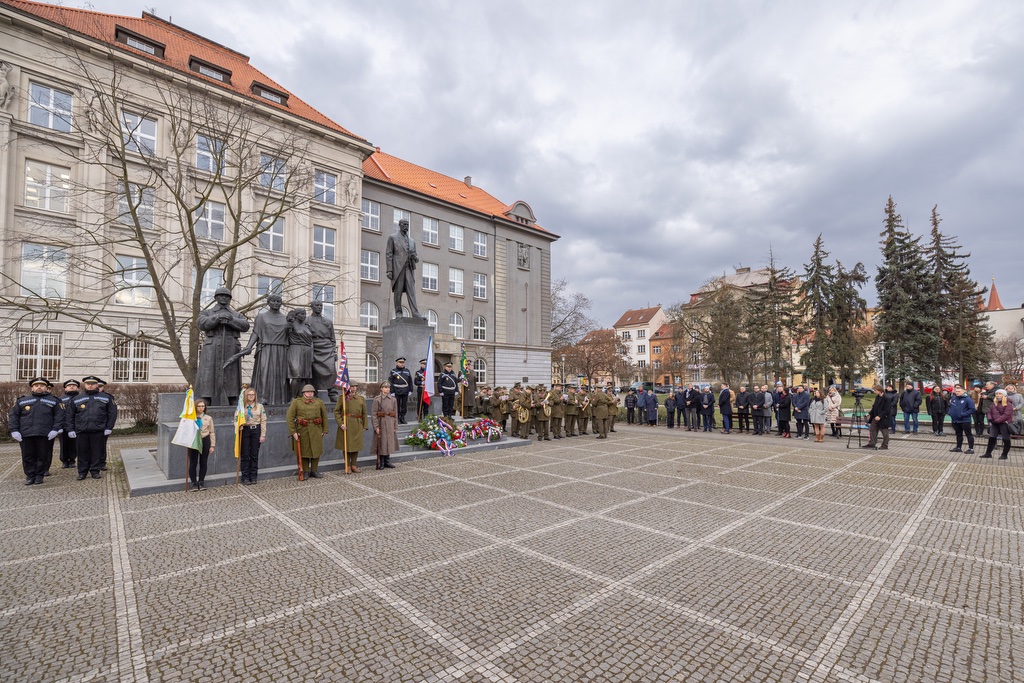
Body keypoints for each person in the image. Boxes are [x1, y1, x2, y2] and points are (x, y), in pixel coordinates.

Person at [196, 286, 250, 406]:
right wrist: (217, 318)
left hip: (231, 346)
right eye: (221, 296)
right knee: (209, 371)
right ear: (216, 298)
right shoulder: (207, 312)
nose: (224, 298)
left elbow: (245, 325)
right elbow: (201, 323)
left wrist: (231, 320)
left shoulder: (236, 314)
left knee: (231, 372)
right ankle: (206, 397)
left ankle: (232, 395)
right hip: (213, 345)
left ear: (229, 299)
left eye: (226, 296)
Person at [9, 378, 62, 486]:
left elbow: (59, 416)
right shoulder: (22, 400)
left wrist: (55, 429)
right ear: (32, 387)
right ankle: (30, 476)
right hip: (26, 433)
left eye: (42, 385)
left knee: (42, 455)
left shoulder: (53, 400)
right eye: (36, 385)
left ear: (46, 388)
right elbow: (14, 415)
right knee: (27, 456)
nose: (39, 387)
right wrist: (14, 430)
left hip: (44, 434)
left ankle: (39, 475)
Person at [239, 293, 290, 405]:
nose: (276, 303)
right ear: (268, 303)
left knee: (280, 376)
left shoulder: (286, 318)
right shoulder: (261, 316)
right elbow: (256, 333)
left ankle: (280, 400)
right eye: (273, 301)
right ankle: (262, 398)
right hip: (266, 348)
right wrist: (249, 346)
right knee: (264, 374)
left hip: (281, 350)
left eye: (278, 301)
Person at [70, 376, 117, 480]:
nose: (90, 385)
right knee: (82, 452)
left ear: (97, 385)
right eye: (88, 384)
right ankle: (82, 472)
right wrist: (71, 429)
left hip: (98, 430)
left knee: (96, 452)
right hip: (81, 430)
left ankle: (95, 471)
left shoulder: (106, 397)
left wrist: (109, 427)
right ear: (84, 385)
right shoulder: (77, 398)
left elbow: (112, 413)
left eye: (93, 383)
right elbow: (70, 415)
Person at [286, 384, 329, 478]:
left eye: (311, 392)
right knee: (304, 451)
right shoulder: (297, 402)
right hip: (302, 430)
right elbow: (289, 418)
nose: (310, 393)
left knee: (316, 450)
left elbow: (324, 416)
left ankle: (314, 470)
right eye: (308, 392)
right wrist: (293, 432)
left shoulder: (319, 402)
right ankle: (305, 471)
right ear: (303, 393)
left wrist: (325, 429)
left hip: (316, 429)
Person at [385, 218, 423, 319]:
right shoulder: (392, 238)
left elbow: (417, 257)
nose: (406, 226)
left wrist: (414, 257)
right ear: (400, 225)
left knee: (412, 291)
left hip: (409, 268)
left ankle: (415, 313)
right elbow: (389, 254)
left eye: (407, 225)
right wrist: (389, 270)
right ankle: (398, 312)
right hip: (398, 268)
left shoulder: (412, 241)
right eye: (404, 224)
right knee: (398, 291)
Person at [308, 300, 340, 403]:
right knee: (313, 372)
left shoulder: (328, 322)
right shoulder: (306, 320)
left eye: (320, 305)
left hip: (327, 349)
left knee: (331, 371)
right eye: (317, 305)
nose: (319, 307)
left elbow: (332, 339)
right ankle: (314, 394)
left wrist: (334, 352)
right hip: (313, 347)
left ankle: (332, 393)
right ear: (312, 307)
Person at [335, 381, 367, 473]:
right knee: (347, 446)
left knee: (356, 445)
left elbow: (364, 413)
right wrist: (341, 423)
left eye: (355, 386)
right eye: (351, 386)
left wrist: (365, 425)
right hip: (347, 423)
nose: (353, 388)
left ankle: (353, 465)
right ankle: (347, 465)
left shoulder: (361, 399)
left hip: (357, 423)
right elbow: (337, 411)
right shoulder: (343, 398)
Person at [239, 387, 267, 485]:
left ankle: (253, 476)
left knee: (254, 455)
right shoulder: (241, 407)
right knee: (245, 454)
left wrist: (262, 435)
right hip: (245, 430)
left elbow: (263, 421)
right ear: (246, 396)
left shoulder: (259, 407)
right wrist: (238, 426)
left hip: (256, 430)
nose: (251, 396)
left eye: (253, 395)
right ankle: (245, 477)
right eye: (249, 395)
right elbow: (235, 419)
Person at [286, 308, 314, 399]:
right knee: (296, 375)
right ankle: (292, 398)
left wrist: (312, 354)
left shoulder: (307, 326)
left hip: (307, 351)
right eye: (301, 314)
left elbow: (311, 341)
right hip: (295, 350)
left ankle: (304, 397)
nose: (303, 316)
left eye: (305, 314)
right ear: (296, 315)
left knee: (306, 377)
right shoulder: (291, 324)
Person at [186, 399, 215, 491]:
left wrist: (212, 445)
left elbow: (212, 432)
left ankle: (201, 482)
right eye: (199, 406)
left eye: (203, 406)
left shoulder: (208, 418)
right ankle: (194, 482)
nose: (201, 408)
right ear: (195, 407)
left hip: (205, 440)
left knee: (203, 462)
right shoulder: (191, 418)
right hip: (194, 441)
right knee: (193, 462)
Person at [371, 382, 399, 468]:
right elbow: (374, 414)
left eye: (388, 387)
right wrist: (376, 426)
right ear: (381, 389)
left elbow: (395, 414)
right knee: (382, 442)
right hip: (381, 423)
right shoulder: (377, 399)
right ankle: (381, 461)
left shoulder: (393, 399)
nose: (387, 389)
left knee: (389, 442)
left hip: (390, 422)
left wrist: (395, 426)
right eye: (385, 387)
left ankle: (387, 460)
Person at [981, 389, 1013, 459]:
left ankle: (1004, 454)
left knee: (1006, 439)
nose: (998, 395)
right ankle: (988, 453)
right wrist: (990, 419)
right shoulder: (994, 403)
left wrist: (997, 420)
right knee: (992, 437)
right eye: (997, 394)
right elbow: (989, 412)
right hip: (994, 423)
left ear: (1004, 395)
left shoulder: (1008, 404)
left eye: (1000, 394)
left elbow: (1006, 415)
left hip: (1004, 423)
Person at [861, 384, 893, 450]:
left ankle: (885, 445)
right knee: (872, 430)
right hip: (875, 417)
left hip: (884, 418)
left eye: (875, 390)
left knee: (885, 433)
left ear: (879, 390)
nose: (874, 391)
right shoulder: (877, 397)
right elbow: (874, 407)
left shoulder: (887, 398)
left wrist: (880, 416)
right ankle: (872, 443)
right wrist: (870, 413)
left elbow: (887, 410)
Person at [947, 384, 976, 454]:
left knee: (968, 434)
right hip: (955, 420)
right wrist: (950, 413)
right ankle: (958, 447)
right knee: (958, 434)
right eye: (956, 391)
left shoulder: (968, 399)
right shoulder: (953, 399)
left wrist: (963, 414)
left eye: (959, 391)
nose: (957, 392)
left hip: (965, 420)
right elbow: (951, 407)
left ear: (963, 391)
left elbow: (972, 409)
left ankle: (971, 448)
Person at [58, 379, 80, 468]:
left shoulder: (81, 398)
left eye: (74, 386)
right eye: (69, 386)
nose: (71, 386)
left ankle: (72, 460)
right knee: (64, 443)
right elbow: (58, 413)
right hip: (64, 425)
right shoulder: (60, 399)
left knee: (74, 443)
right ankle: (64, 460)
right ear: (65, 388)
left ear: (78, 388)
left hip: (77, 424)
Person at [388, 357, 414, 424]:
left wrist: (411, 390)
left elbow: (410, 381)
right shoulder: (393, 371)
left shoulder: (407, 371)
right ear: (397, 363)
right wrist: (392, 391)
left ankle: (402, 417)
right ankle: (397, 418)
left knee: (404, 405)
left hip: (405, 390)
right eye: (400, 362)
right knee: (397, 405)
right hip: (397, 391)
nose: (402, 364)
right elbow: (390, 382)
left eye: (403, 362)